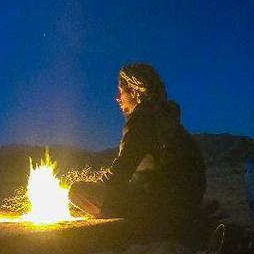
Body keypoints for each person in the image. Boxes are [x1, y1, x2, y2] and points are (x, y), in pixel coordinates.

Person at [69, 63, 206, 230]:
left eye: (121, 92)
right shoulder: (167, 118)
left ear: (133, 92)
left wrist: (97, 183)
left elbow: (121, 172)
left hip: (161, 207)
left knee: (77, 190)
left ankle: (134, 228)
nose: (118, 98)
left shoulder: (142, 119)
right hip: (185, 202)